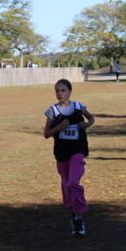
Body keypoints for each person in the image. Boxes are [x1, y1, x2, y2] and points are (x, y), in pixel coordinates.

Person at [44, 78, 96, 236]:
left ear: (70, 91)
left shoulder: (79, 107)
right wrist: (60, 127)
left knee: (73, 182)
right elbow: (46, 134)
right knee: (66, 184)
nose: (60, 93)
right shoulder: (53, 111)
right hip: (61, 152)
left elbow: (91, 118)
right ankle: (73, 210)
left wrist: (87, 124)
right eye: (57, 91)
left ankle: (78, 217)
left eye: (63, 90)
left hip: (77, 149)